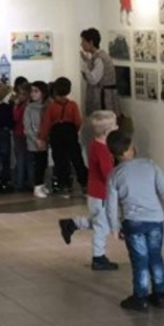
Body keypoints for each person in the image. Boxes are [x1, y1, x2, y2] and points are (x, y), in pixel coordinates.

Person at [105, 129, 164, 312]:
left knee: (140, 260)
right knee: (155, 256)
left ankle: (140, 297)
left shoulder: (114, 174)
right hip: (155, 220)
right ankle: (159, 294)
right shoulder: (150, 165)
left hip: (133, 222)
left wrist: (114, 227)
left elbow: (111, 205)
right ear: (132, 148)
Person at [58, 110, 119, 270]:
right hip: (101, 193)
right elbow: (107, 174)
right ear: (107, 131)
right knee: (102, 226)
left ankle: (72, 223)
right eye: (115, 126)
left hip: (95, 192)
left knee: (100, 220)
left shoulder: (95, 145)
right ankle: (98, 257)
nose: (117, 128)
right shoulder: (102, 150)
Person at [40, 77, 86, 197]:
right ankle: (84, 183)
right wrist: (74, 131)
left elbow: (46, 123)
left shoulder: (52, 106)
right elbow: (78, 121)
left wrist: (42, 137)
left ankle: (64, 185)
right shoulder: (72, 105)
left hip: (56, 133)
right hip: (70, 132)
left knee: (60, 159)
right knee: (77, 158)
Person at [80, 29, 120, 116]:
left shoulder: (99, 58)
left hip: (103, 98)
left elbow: (93, 79)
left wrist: (85, 68)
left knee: (103, 121)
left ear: (91, 43)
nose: (81, 44)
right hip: (103, 95)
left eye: (83, 41)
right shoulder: (97, 56)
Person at [27, 81, 50, 197]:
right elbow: (27, 127)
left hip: (45, 139)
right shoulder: (29, 108)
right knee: (38, 164)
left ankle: (42, 184)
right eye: (32, 91)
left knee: (44, 162)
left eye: (36, 91)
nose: (33, 94)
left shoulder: (47, 106)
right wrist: (36, 139)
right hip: (35, 141)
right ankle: (37, 186)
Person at [11, 79, 31, 191]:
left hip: (20, 134)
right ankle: (30, 181)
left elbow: (16, 117)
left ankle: (19, 183)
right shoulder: (28, 105)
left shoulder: (23, 106)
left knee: (21, 159)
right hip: (26, 135)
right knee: (27, 159)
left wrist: (15, 106)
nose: (20, 96)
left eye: (23, 94)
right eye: (19, 94)